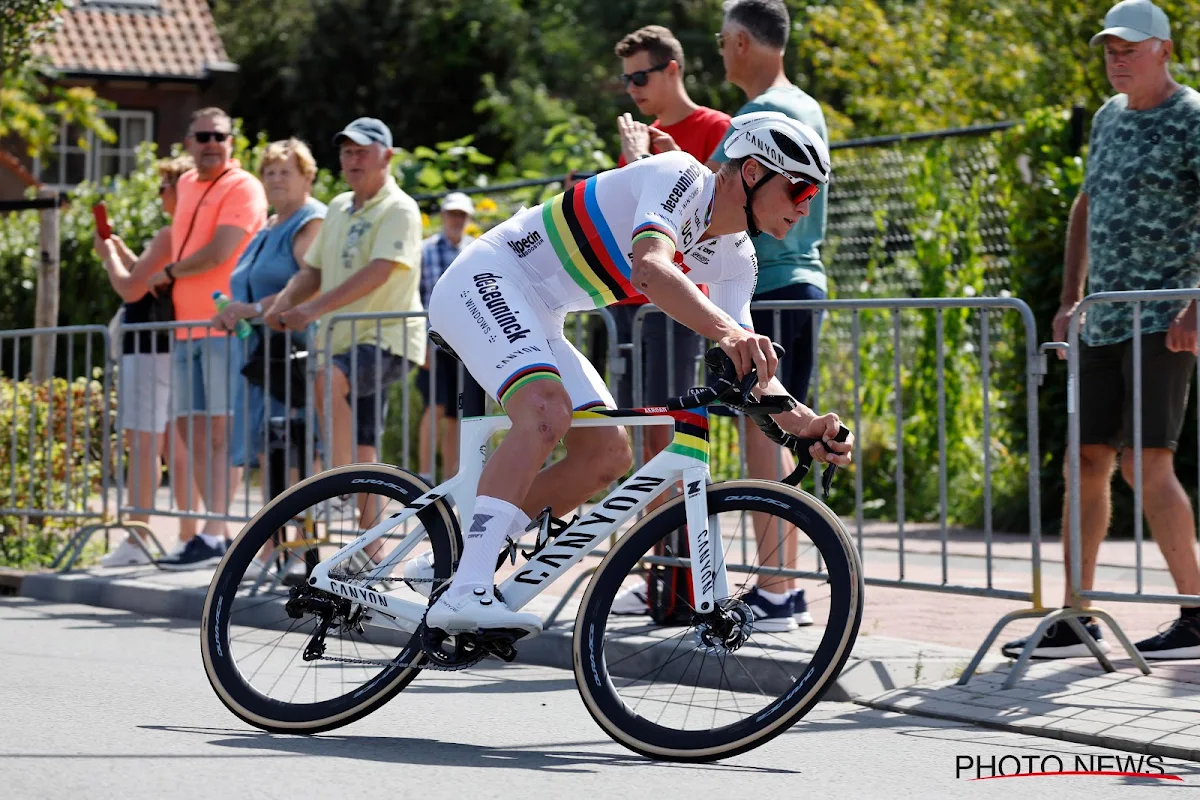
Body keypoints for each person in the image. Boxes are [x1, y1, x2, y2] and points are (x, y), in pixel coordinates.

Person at [420, 111, 853, 638]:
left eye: (812, 197)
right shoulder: (679, 177)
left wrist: (805, 425)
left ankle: (459, 559)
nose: (804, 208)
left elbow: (752, 369)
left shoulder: (739, 258)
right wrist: (727, 332)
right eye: (798, 191)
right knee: (544, 412)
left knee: (608, 455)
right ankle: (468, 587)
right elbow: (649, 268)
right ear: (753, 173)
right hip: (487, 277)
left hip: (541, 313)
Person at [1003, 0, 1200, 661]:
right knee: (1085, 462)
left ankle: (1197, 612)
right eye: (1110, 51)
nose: (1117, 61)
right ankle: (1077, 615)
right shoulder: (1110, 120)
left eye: (1130, 50)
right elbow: (1085, 204)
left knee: (1149, 465)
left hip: (1163, 315)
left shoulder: (1192, 117)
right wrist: (1068, 298)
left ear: (1164, 51)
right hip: (1103, 316)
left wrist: (1198, 300)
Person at [706, 0, 832, 627]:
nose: (720, 52)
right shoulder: (806, 104)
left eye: (722, 40)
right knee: (778, 426)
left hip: (772, 278)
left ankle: (777, 588)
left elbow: (716, 196)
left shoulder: (760, 114)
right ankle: (782, 584)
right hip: (800, 279)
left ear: (742, 43)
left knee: (767, 431)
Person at [268, 118, 425, 553]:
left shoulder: (400, 208)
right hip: (344, 339)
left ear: (387, 156)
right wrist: (282, 306)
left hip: (386, 338)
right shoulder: (337, 206)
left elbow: (381, 270)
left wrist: (312, 309)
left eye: (362, 151)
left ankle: (338, 487)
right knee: (364, 446)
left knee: (329, 380)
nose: (352, 159)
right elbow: (313, 271)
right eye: (346, 151)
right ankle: (372, 553)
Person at [145, 107, 269, 570]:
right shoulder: (184, 185)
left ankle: (217, 533)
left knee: (221, 431)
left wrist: (170, 272)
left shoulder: (244, 185)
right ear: (188, 142)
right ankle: (204, 529)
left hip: (224, 326)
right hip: (186, 327)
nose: (211, 142)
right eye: (202, 135)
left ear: (232, 141)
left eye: (220, 135)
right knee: (190, 428)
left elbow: (221, 250)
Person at [609, 24, 733, 461]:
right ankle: (653, 532)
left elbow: (707, 219)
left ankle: (679, 529)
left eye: (639, 77)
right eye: (626, 79)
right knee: (639, 432)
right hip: (627, 301)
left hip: (674, 302)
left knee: (668, 430)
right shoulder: (642, 140)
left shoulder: (717, 126)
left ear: (672, 70)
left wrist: (645, 160)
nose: (631, 89)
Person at [94, 155, 202, 565]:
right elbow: (144, 276)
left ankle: (137, 539)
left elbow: (130, 289)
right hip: (170, 345)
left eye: (164, 186)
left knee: (143, 445)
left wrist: (107, 256)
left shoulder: (169, 233)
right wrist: (120, 249)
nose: (160, 194)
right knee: (173, 446)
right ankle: (188, 534)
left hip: (148, 348)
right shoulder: (188, 236)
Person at [211, 138, 326, 475]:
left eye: (285, 172)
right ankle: (274, 529)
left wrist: (252, 311)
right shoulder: (266, 227)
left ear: (307, 178)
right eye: (270, 172)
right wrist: (230, 312)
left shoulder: (311, 221)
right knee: (267, 449)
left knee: (292, 445)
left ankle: (305, 528)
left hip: (292, 355)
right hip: (259, 356)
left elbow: (310, 280)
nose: (276, 179)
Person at [417, 192, 475, 482]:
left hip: (464, 346)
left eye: (462, 215)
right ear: (443, 216)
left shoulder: (473, 250)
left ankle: (452, 478)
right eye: (452, 214)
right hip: (433, 342)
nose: (456, 220)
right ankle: (424, 475)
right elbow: (414, 299)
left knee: (456, 412)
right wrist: (419, 344)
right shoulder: (424, 251)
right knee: (435, 406)